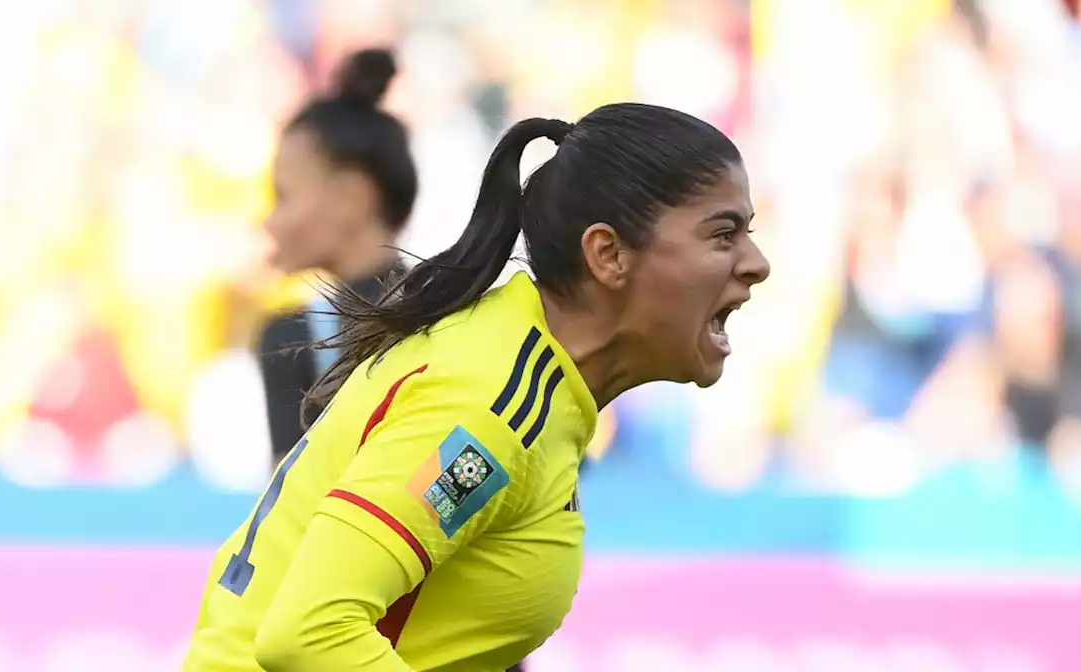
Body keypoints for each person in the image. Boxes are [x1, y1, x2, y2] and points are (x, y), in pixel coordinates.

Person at [183, 102, 770, 671]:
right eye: (723, 235)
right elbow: (310, 632)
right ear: (608, 254)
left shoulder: (520, 368)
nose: (756, 262)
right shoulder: (488, 407)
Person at [255, 48, 417, 464]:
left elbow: (287, 514)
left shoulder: (291, 340)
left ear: (350, 198)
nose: (269, 222)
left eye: (283, 197)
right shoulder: (457, 308)